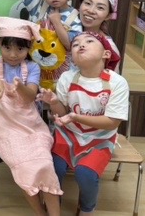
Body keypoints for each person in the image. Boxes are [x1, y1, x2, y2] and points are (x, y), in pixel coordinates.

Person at [0, 17, 62, 216]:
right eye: (7, 48)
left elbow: (30, 97)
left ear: (29, 47)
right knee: (26, 166)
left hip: (31, 127)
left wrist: (19, 86)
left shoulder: (32, 68)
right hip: (1, 129)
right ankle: (40, 213)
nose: (13, 54)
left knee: (45, 164)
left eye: (20, 49)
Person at [39, 32, 127, 216]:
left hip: (100, 138)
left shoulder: (117, 83)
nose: (81, 45)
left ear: (106, 54)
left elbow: (112, 122)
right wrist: (54, 102)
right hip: (68, 134)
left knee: (85, 174)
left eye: (89, 41)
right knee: (53, 168)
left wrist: (76, 117)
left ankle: (87, 209)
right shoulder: (67, 78)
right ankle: (54, 203)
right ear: (72, 57)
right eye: (75, 44)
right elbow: (62, 113)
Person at [23, 0, 82, 87]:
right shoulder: (39, 6)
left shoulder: (75, 18)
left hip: (61, 76)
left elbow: (70, 45)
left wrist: (56, 22)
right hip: (34, 72)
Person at [76, 0, 121, 71]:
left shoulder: (109, 47)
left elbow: (111, 77)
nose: (91, 10)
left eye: (100, 7)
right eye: (88, 3)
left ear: (108, 16)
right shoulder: (68, 31)